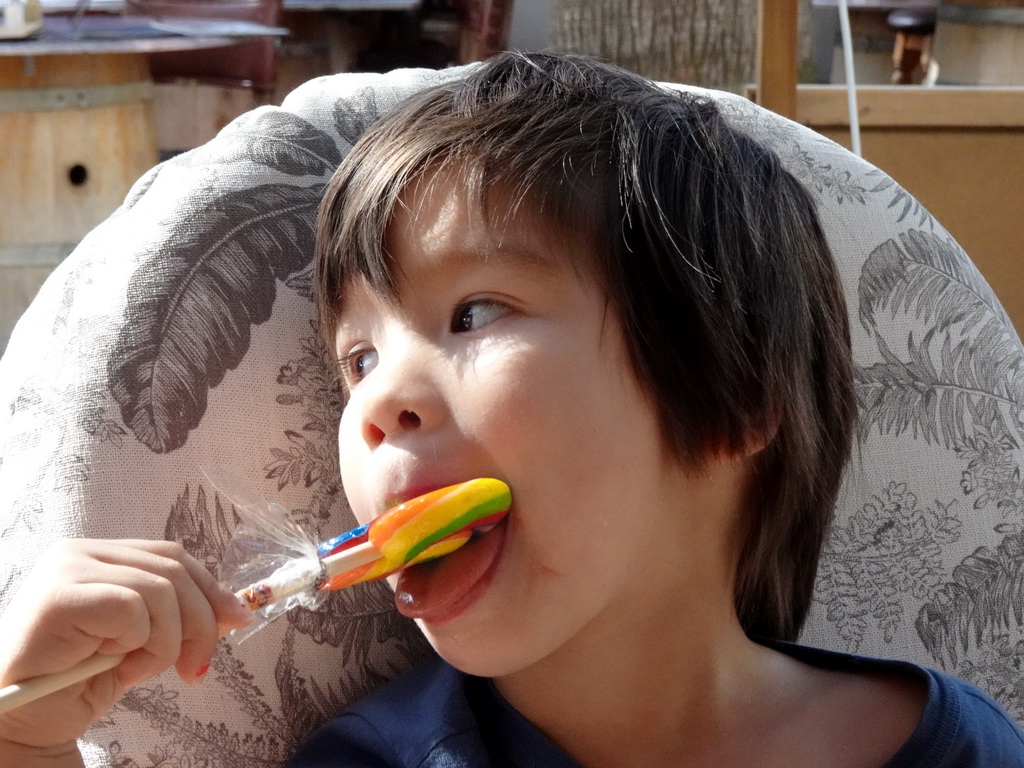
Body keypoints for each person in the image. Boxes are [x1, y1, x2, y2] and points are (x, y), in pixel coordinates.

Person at [1, 52, 1021, 768]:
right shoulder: (377, 761)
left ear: (731, 396)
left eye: (475, 311)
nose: (377, 401)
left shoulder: (950, 742)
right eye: (356, 359)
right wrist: (28, 744)